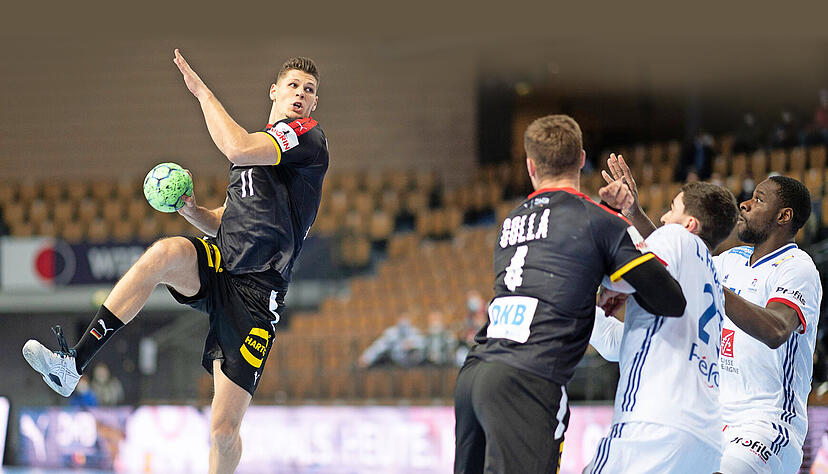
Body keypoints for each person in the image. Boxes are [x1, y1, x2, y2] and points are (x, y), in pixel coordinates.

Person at [22, 49, 328, 474]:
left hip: (257, 294)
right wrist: (192, 211)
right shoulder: (261, 151)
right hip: (221, 264)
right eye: (293, 85)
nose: (300, 94)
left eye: (308, 90)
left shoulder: (307, 139)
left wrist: (202, 93)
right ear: (274, 91)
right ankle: (73, 364)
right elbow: (225, 220)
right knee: (164, 253)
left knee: (223, 432)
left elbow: (236, 147)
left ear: (314, 103)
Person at [453, 115, 687, 474]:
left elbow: (562, 254)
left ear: (531, 166)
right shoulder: (599, 222)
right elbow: (670, 298)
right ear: (581, 158)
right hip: (528, 380)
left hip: (474, 374)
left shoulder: (510, 221)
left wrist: (607, 261)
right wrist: (619, 260)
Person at [597, 156, 822, 473]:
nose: (745, 204)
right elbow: (680, 259)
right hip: (714, 422)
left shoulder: (797, 267)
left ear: (784, 216)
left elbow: (776, 330)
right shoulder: (731, 259)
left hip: (767, 424)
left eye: (758, 199)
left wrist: (709, 282)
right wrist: (634, 212)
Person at [585, 158, 739, 473]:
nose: (664, 217)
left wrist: (577, 271)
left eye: (672, 209)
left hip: (655, 423)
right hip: (706, 442)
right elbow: (618, 344)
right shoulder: (712, 280)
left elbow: (626, 276)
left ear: (690, 223)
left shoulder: (674, 237)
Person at [357, 316, 425, 368]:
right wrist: (366, 358)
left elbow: (423, 344)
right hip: (395, 362)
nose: (403, 325)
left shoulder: (415, 332)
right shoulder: (391, 333)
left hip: (415, 362)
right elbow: (378, 347)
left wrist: (413, 345)